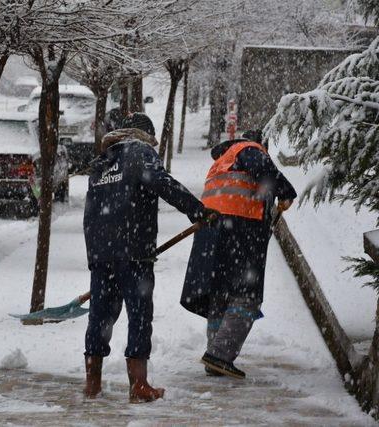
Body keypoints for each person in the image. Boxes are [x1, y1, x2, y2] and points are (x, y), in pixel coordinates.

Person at [83, 112, 216, 402]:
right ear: (145, 135)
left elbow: (90, 213)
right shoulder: (139, 151)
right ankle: (139, 386)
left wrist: (96, 253)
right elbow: (161, 182)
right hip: (133, 251)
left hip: (101, 252)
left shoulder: (102, 162)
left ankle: (92, 384)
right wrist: (197, 210)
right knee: (139, 316)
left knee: (101, 316)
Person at [180, 129, 297, 379]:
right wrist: (285, 191)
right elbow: (263, 169)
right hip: (239, 229)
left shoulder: (222, 160)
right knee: (247, 297)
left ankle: (215, 355)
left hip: (212, 232)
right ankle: (219, 355)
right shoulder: (249, 150)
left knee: (221, 295)